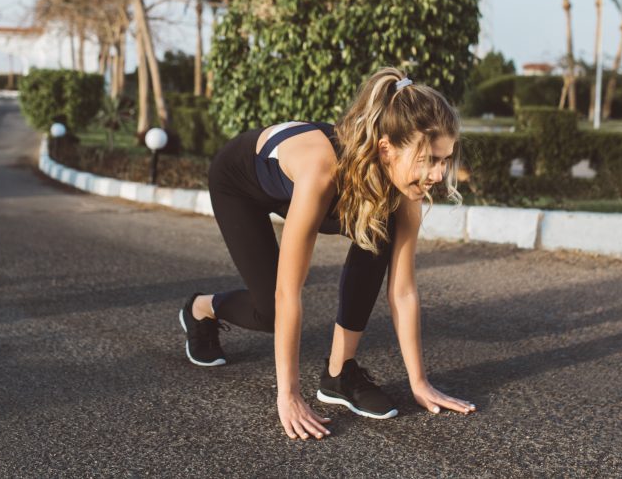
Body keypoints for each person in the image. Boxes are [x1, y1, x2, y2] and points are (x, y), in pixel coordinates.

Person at [179, 67, 476, 440]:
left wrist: (420, 382)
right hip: (239, 183)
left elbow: (402, 291)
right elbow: (289, 291)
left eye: (444, 159)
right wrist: (287, 396)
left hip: (319, 187)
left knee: (379, 229)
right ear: (386, 149)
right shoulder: (322, 171)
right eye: (430, 159)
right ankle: (200, 309)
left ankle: (339, 372)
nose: (438, 173)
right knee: (269, 310)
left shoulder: (405, 191)